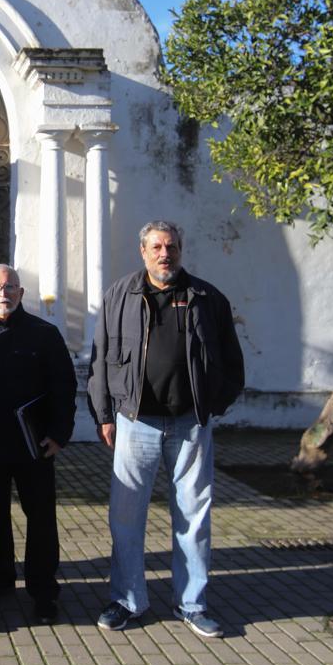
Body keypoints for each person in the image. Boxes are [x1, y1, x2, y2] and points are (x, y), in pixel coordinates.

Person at [87, 220, 244, 637]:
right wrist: (104, 414)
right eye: (156, 247)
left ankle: (191, 603)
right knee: (125, 516)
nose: (164, 254)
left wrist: (213, 405)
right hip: (134, 422)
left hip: (191, 423)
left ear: (181, 249)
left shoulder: (207, 298)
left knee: (193, 515)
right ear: (143, 251)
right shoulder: (120, 295)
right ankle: (127, 600)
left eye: (171, 246)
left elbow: (231, 361)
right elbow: (100, 359)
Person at [0, 264, 77, 625]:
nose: (3, 293)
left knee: (40, 519)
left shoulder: (44, 334)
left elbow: (64, 386)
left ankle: (43, 591)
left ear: (21, 293)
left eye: (10, 287)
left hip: (33, 445)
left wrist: (59, 434)